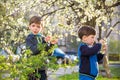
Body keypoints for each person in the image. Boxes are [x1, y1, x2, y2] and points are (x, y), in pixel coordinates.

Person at [26, 16, 58, 80]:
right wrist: (44, 42)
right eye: (33, 25)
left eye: (38, 26)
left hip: (42, 68)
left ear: (42, 28)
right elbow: (33, 51)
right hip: (32, 67)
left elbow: (49, 54)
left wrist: (51, 44)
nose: (35, 28)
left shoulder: (43, 38)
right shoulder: (29, 38)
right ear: (29, 26)